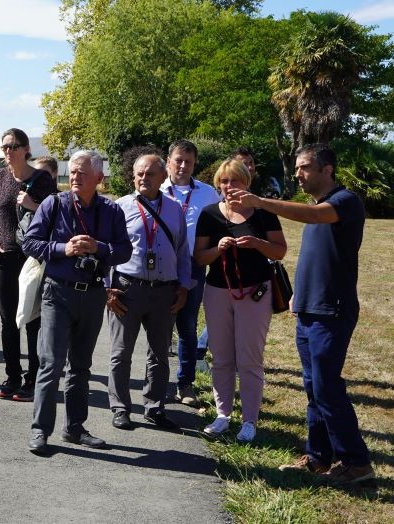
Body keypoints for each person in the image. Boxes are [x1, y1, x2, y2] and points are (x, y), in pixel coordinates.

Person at [228, 143, 375, 484]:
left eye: (305, 167)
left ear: (327, 170)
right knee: (313, 387)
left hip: (332, 310)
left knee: (326, 385)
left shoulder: (343, 203)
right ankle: (319, 456)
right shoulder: (315, 207)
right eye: (296, 167)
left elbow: (314, 215)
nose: (297, 173)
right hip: (309, 308)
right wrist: (298, 297)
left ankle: (357, 463)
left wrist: (260, 202)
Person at [22, 150, 131, 455]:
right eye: (71, 172)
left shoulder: (111, 211)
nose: (74, 177)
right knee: (51, 363)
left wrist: (99, 247)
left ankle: (75, 428)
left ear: (98, 178)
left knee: (81, 366)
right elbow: (29, 242)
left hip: (94, 294)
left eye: (82, 173)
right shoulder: (53, 204)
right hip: (57, 292)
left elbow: (124, 251)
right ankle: (40, 430)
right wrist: (62, 249)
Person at [194, 159, 287, 443]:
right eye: (224, 181)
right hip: (218, 291)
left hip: (254, 292)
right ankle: (222, 415)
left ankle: (249, 421)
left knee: (249, 358)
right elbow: (199, 258)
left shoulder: (263, 213)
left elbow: (281, 251)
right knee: (221, 358)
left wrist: (258, 244)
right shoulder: (209, 214)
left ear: (246, 183)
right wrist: (217, 250)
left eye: (235, 181)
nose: (229, 187)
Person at [107, 153, 193, 432]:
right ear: (133, 176)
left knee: (159, 354)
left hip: (163, 292)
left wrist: (183, 286)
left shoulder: (174, 208)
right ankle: (120, 408)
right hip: (127, 290)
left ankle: (154, 407)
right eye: (139, 174)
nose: (144, 178)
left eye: (150, 174)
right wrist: (108, 288)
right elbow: (105, 251)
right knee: (121, 353)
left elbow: (182, 251)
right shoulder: (119, 207)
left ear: (162, 176)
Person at [0, 128, 57, 401]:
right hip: (3, 255)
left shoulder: (42, 180)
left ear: (26, 149)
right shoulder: (0, 177)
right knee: (8, 320)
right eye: (4, 146)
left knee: (32, 319)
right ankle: (12, 375)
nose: (8, 151)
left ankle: (34, 378)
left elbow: (55, 216)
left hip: (32, 258)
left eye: (14, 146)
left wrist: (33, 204)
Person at [160, 139, 220, 407]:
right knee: (159, 328)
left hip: (194, 266)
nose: (183, 166)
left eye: (189, 161)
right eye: (178, 160)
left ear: (195, 164)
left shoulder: (208, 194)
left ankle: (185, 384)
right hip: (160, 267)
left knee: (187, 327)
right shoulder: (156, 188)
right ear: (168, 160)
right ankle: (159, 384)